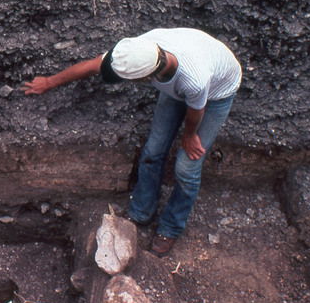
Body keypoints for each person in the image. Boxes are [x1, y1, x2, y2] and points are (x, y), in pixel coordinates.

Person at [23, 28, 241, 257]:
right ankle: (141, 212)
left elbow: (197, 109)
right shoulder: (138, 51)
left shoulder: (194, 80)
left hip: (216, 91)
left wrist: (189, 136)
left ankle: (170, 227)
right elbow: (92, 65)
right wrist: (49, 82)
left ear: (147, 77)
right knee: (153, 149)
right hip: (180, 81)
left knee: (186, 166)